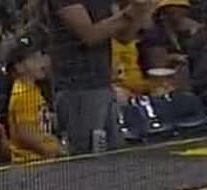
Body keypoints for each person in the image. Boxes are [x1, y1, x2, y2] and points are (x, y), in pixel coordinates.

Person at [45, 0, 156, 153]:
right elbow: (89, 35)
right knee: (87, 155)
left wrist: (140, 11)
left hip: (103, 83)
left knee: (113, 152)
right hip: (77, 87)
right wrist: (129, 13)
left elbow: (125, 36)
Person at [6, 36, 65, 162]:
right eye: (34, 58)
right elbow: (26, 133)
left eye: (42, 55)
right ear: (19, 66)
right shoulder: (23, 93)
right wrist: (52, 150)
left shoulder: (33, 89)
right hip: (29, 162)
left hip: (39, 160)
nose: (42, 62)